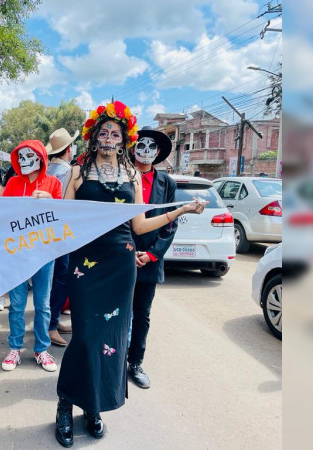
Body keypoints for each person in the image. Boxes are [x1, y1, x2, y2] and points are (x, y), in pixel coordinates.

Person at [54, 101, 204, 447]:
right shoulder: (77, 172)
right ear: (95, 136)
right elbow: (63, 219)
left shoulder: (133, 175)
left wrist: (179, 210)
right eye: (104, 132)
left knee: (112, 340)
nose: (109, 137)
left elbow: (139, 223)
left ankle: (94, 408)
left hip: (120, 264)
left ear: (124, 139)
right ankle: (65, 404)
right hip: (86, 263)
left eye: (116, 133)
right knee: (86, 338)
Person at [0, 140, 63, 372]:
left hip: (44, 253)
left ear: (41, 158)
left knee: (42, 304)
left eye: (30, 155)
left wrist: (52, 202)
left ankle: (41, 349)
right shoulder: (13, 182)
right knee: (16, 304)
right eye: (21, 156)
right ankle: (15, 347)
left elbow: (63, 218)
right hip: (17, 253)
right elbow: (2, 215)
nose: (24, 160)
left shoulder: (54, 183)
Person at [127, 127, 177, 390]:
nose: (145, 151)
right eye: (141, 146)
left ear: (158, 153)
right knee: (118, 311)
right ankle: (111, 360)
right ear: (133, 148)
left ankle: (135, 362)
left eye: (151, 148)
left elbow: (170, 224)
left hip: (150, 260)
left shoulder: (166, 183)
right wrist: (126, 250)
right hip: (122, 256)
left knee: (142, 314)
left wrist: (151, 253)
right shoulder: (123, 177)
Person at [45, 128, 79, 347]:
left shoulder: (46, 169)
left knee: (52, 279)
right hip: (63, 232)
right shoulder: (68, 172)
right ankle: (51, 325)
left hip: (47, 233)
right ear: (69, 149)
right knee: (60, 278)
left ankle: (52, 322)